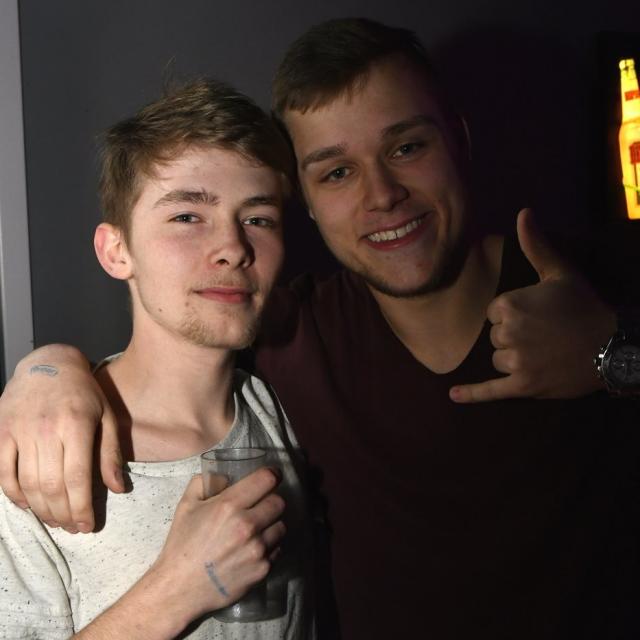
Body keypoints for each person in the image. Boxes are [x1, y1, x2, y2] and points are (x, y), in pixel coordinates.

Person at [0, 17, 635, 639]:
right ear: (310, 201)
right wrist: (46, 370)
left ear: (458, 141)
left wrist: (616, 352)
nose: (381, 194)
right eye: (336, 171)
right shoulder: (296, 337)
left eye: (407, 147)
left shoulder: (595, 283)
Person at [0, 79, 315, 639]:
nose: (233, 247)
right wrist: (179, 587)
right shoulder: (34, 457)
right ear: (117, 251)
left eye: (258, 219)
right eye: (187, 216)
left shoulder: (284, 401)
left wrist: (47, 362)